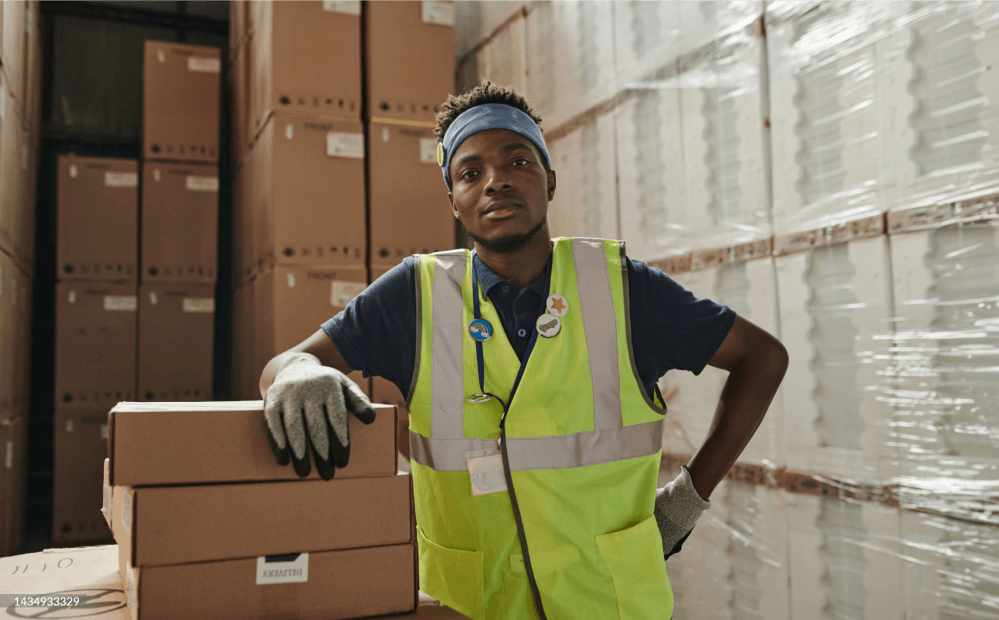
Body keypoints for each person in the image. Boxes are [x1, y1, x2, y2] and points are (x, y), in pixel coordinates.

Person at [258, 80, 788, 620]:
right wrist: (299, 371)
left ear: (550, 180)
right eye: (471, 172)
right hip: (473, 603)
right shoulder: (413, 297)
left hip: (609, 602)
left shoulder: (623, 289)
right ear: (453, 200)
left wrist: (687, 498)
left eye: (518, 162)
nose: (496, 183)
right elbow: (287, 362)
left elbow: (762, 357)